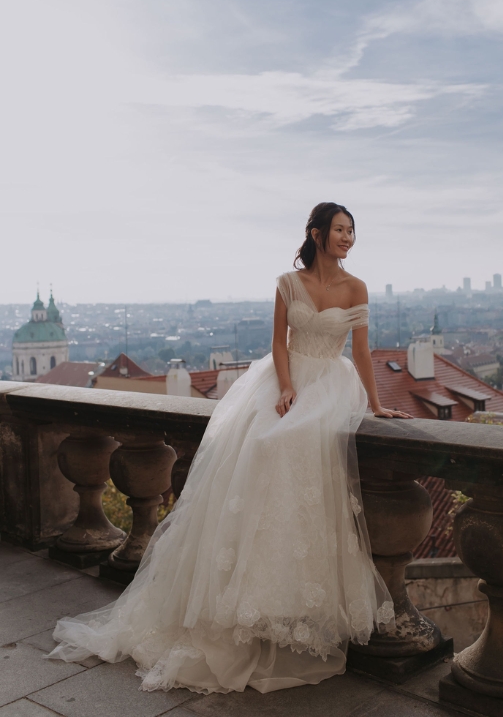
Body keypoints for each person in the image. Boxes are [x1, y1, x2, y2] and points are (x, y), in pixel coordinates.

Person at [46, 202, 413, 694]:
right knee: (264, 447)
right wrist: (285, 387)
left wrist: (377, 404)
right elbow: (280, 341)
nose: (348, 238)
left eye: (352, 231)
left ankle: (288, 605)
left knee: (302, 465)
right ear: (316, 234)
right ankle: (244, 599)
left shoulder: (357, 287)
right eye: (340, 230)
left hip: (331, 383)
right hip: (287, 380)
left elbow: (363, 351)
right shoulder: (288, 281)